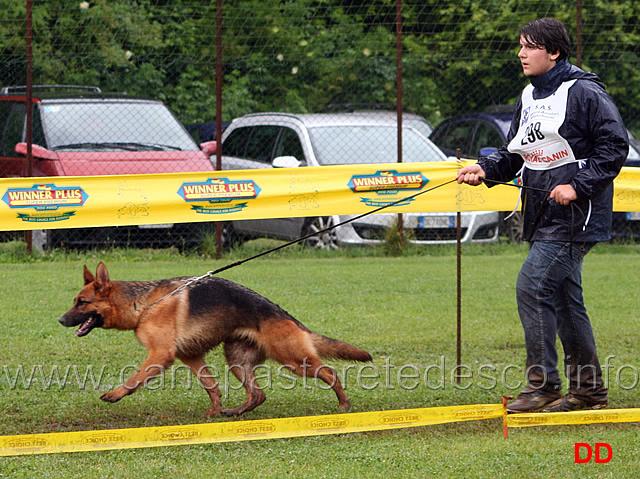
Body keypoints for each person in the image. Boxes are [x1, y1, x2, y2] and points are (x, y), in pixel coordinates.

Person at [457, 18, 628, 413]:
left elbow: (614, 146)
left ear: (553, 52)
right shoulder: (529, 95)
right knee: (566, 303)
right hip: (542, 214)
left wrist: (578, 185)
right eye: (520, 46)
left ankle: (544, 385)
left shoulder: (584, 91)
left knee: (532, 288)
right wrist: (485, 169)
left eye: (530, 46)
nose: (521, 53)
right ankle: (588, 392)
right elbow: (517, 153)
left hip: (576, 215)